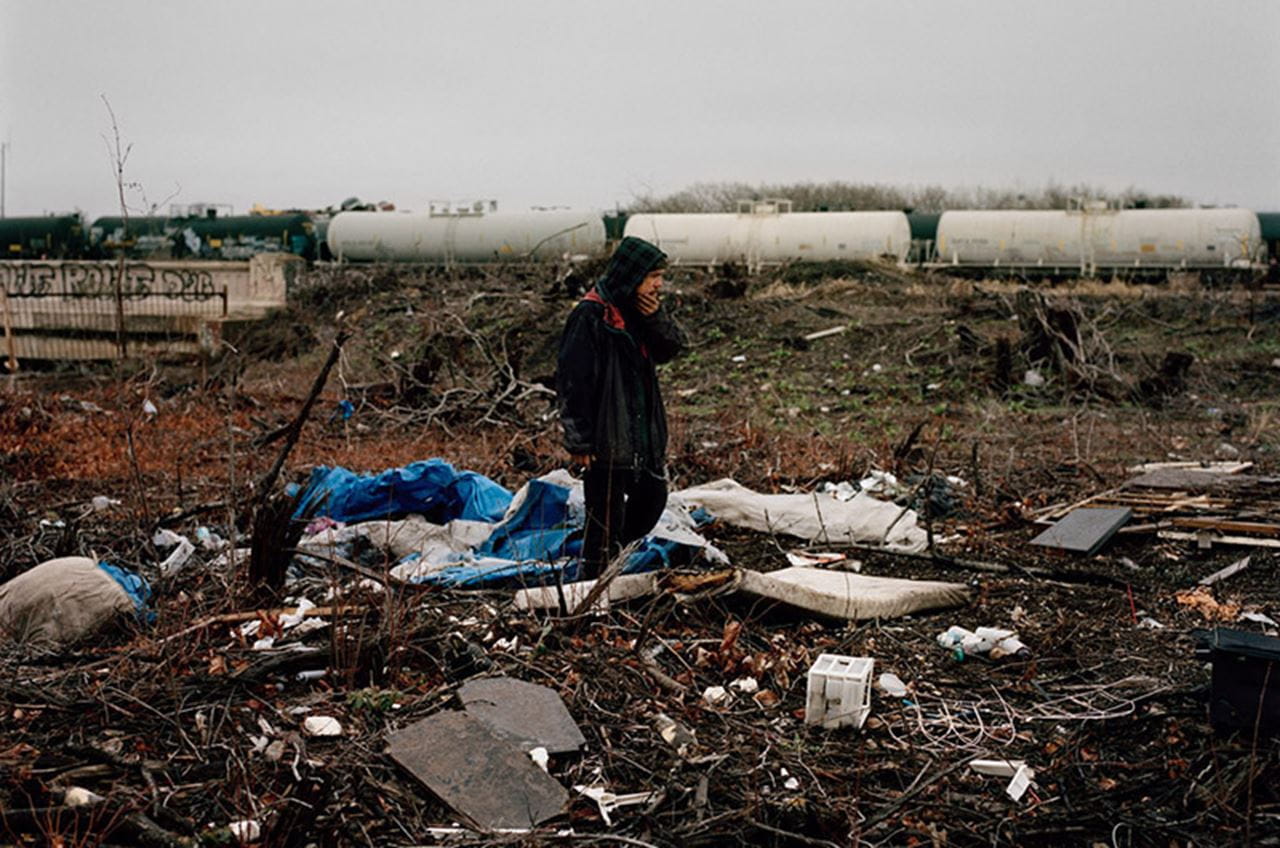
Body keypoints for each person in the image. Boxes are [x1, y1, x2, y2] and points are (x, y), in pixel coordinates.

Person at [556, 236, 687, 579]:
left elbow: (671, 349)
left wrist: (656, 318)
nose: (658, 284)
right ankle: (591, 595)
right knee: (604, 522)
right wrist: (579, 442)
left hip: (642, 438)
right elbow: (574, 381)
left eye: (660, 275)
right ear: (632, 276)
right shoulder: (592, 315)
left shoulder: (639, 312)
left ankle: (612, 563)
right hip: (607, 441)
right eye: (652, 275)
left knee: (652, 500)